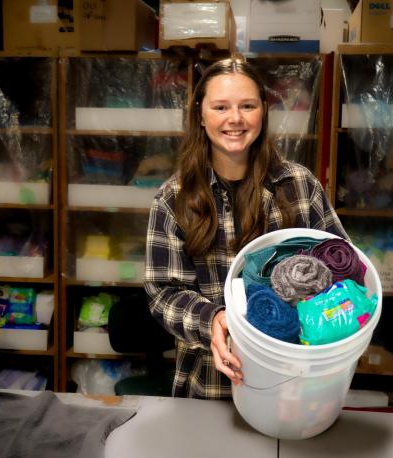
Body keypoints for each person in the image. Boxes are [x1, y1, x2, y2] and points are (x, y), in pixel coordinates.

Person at [144, 57, 348, 399]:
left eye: (247, 106)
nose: (235, 119)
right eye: (220, 106)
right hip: (210, 383)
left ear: (263, 112)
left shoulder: (300, 186)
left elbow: (344, 268)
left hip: (295, 384)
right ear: (200, 114)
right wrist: (212, 320)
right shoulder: (172, 199)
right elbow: (163, 292)